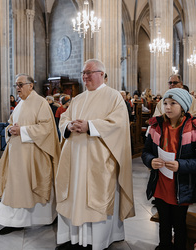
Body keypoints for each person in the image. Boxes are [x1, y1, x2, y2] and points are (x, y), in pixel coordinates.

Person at [55, 59, 135, 250]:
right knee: (75, 196)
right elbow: (64, 119)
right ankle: (74, 239)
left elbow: (118, 125)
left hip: (99, 161)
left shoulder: (114, 97)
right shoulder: (78, 98)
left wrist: (90, 126)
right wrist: (68, 125)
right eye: (83, 73)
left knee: (96, 199)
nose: (84, 76)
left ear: (102, 74)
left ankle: (97, 241)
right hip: (75, 159)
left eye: (89, 72)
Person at [0, 73, 60, 235]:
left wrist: (21, 130)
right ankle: (16, 221)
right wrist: (10, 129)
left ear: (31, 85)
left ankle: (45, 218)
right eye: (16, 85)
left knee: (31, 186)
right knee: (17, 188)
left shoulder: (40, 103)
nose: (17, 88)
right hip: (17, 155)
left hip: (33, 155)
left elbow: (46, 128)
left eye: (20, 84)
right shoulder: (19, 104)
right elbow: (10, 123)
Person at [142, 88, 196, 250]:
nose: (168, 107)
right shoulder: (156, 126)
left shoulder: (195, 129)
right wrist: (151, 161)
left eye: (173, 103)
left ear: (184, 106)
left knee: (179, 225)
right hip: (160, 184)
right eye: (165, 103)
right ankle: (163, 246)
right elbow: (146, 152)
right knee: (163, 223)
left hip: (181, 186)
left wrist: (181, 165)